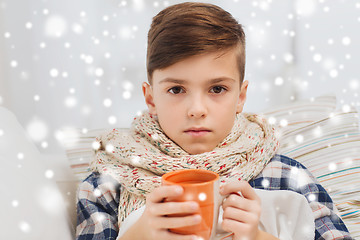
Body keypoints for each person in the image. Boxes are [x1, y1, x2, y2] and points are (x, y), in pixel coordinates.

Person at [76, 2, 353, 240]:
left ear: (241, 97)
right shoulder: (107, 184)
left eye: (217, 89)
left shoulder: (286, 177)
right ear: (150, 99)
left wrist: (259, 236)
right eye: (176, 89)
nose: (197, 109)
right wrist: (139, 233)